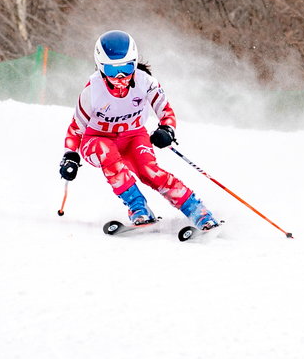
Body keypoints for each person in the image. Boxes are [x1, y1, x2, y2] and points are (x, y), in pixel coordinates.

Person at [58, 30, 220, 229]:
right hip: (96, 140)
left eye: (126, 68)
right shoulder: (92, 91)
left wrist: (167, 130)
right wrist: (70, 157)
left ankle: (198, 211)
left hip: (133, 136)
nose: (120, 77)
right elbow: (76, 129)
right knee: (106, 150)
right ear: (100, 68)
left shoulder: (146, 83)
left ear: (134, 63)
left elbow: (166, 111)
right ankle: (138, 207)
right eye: (111, 71)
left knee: (149, 171)